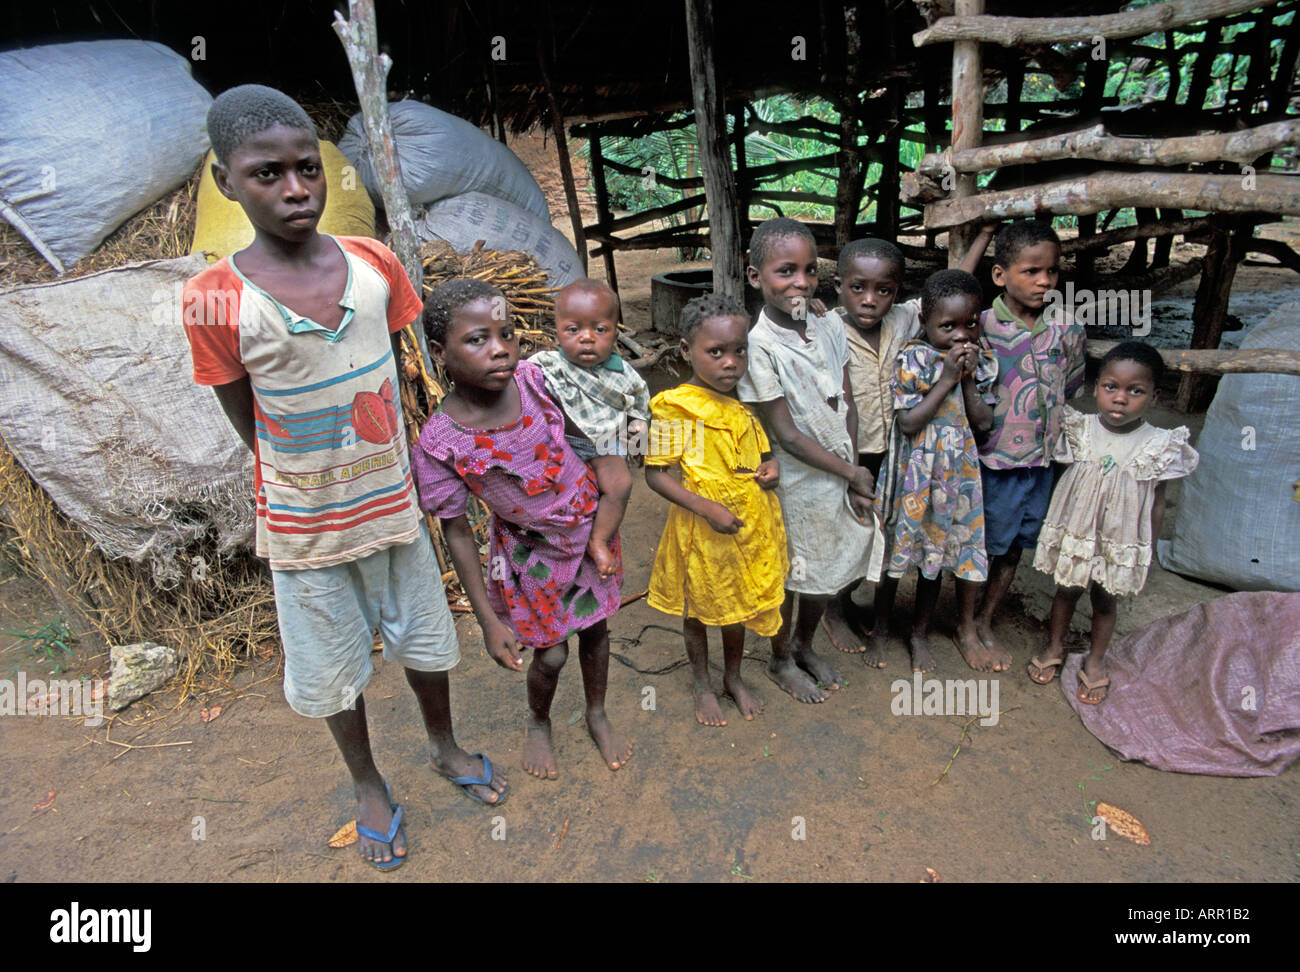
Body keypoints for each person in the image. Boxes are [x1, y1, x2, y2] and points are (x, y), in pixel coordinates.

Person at [181, 85, 504, 872]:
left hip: (392, 507)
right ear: (226, 181)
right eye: (266, 175)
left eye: (307, 170)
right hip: (306, 526)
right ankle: (367, 784)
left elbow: (391, 377)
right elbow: (246, 419)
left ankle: (444, 744)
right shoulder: (213, 301)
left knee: (427, 642)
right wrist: (307, 476)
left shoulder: (374, 267)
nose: (294, 190)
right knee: (331, 671)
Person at [413, 278, 632, 779]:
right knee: (551, 654)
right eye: (477, 340)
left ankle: (597, 712)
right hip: (530, 554)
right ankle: (539, 720)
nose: (500, 351)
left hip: (588, 531)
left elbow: (584, 428)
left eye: (507, 334)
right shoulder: (441, 443)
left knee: (596, 628)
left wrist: (609, 469)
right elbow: (457, 532)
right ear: (438, 351)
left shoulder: (538, 381)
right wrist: (489, 618)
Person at [833, 229, 994, 663]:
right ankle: (845, 612)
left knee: (915, 549)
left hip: (927, 468)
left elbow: (953, 286)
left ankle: (913, 633)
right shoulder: (834, 328)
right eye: (858, 288)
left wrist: (984, 234)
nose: (870, 299)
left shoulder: (914, 323)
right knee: (861, 536)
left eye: (883, 290)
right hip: (872, 456)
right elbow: (908, 421)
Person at [737, 217, 879, 704]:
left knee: (828, 570)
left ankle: (804, 645)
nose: (800, 282)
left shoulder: (827, 325)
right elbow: (786, 435)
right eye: (785, 271)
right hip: (796, 480)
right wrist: (852, 472)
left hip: (838, 471)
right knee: (794, 575)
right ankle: (779, 659)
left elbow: (848, 401)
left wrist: (854, 471)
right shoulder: (758, 348)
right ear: (756, 277)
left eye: (809, 270)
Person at [644, 293, 787, 726]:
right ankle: (702, 684)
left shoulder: (742, 401)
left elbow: (760, 450)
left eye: (738, 351)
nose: (730, 362)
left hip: (745, 527)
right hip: (700, 531)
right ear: (687, 351)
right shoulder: (676, 408)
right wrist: (706, 507)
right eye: (716, 352)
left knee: (738, 608)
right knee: (699, 611)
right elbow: (657, 475)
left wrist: (770, 466)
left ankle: (734, 677)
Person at [1029, 342, 1198, 704]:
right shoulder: (1080, 429)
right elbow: (1063, 484)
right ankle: (1055, 646)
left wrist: (1146, 548)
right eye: (1111, 387)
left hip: (1118, 538)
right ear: (1096, 389)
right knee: (1067, 589)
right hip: (1079, 530)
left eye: (1135, 391)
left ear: (1154, 396)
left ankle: (1095, 661)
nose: (1120, 399)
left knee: (1105, 600)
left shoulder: (1158, 444)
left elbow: (1157, 500)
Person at [971, 220, 1086, 672]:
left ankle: (985, 617)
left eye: (1052, 272)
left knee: (1018, 543)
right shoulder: (980, 326)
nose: (1044, 282)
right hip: (994, 460)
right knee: (986, 542)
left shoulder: (1067, 328)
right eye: (1031, 272)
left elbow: (1072, 383)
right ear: (1000, 275)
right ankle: (966, 618)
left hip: (1042, 461)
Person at [875, 270, 996, 672]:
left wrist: (968, 381)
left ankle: (918, 634)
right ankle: (879, 631)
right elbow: (909, 423)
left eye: (970, 324)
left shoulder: (982, 360)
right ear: (925, 321)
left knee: (935, 558)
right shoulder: (915, 358)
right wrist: (946, 377)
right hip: (915, 475)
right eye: (948, 326)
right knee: (895, 555)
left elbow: (983, 421)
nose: (962, 335)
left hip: (956, 478)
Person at [529, 278, 649, 579]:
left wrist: (637, 425)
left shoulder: (622, 372)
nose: (587, 338)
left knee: (620, 483)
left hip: (603, 445)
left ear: (615, 332)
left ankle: (598, 540)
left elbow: (639, 399)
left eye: (600, 329)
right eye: (574, 329)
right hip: (561, 446)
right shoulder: (546, 365)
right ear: (557, 332)